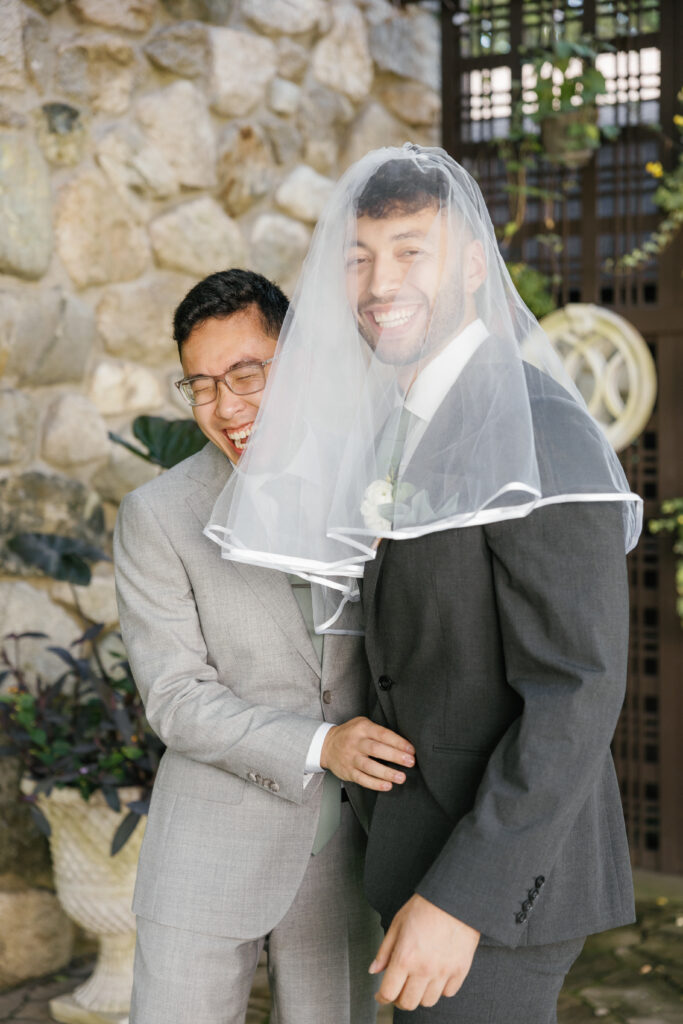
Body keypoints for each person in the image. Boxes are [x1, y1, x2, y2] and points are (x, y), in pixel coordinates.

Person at [205, 148, 643, 1023]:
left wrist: (462, 901)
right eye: (360, 256)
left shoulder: (539, 429)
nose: (379, 282)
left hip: (494, 882)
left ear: (474, 265)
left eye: (412, 250)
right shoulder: (396, 428)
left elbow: (575, 692)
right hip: (411, 849)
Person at [113, 268, 417, 1024]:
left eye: (246, 373)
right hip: (207, 852)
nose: (225, 405)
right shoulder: (157, 515)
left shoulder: (377, 483)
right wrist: (323, 744)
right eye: (201, 384)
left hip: (349, 858)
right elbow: (176, 699)